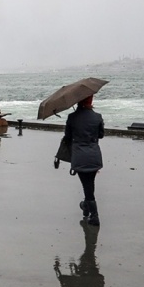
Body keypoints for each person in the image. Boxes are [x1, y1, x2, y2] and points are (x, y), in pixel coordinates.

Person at [63, 95, 104, 226]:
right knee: (89, 183)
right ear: (91, 101)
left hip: (80, 156)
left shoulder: (72, 117)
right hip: (94, 155)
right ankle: (86, 207)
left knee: (87, 185)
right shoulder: (97, 117)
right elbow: (101, 135)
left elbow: (68, 137)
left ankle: (94, 215)